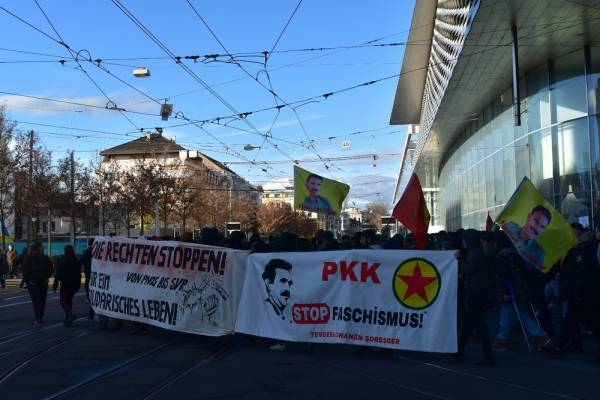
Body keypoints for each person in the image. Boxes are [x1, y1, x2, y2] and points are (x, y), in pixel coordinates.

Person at [493, 231, 551, 351]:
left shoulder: (502, 256)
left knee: (508, 315)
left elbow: (504, 276)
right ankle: (542, 337)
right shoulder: (517, 253)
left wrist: (505, 292)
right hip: (522, 289)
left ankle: (502, 339)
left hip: (511, 291)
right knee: (523, 315)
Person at [456, 229, 495, 365]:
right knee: (469, 324)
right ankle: (459, 351)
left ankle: (488, 357)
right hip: (478, 290)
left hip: (476, 292)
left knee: (479, 324)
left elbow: (467, 269)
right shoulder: (477, 252)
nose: (463, 241)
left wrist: (458, 259)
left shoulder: (474, 253)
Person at [502, 205, 552, 270]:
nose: (537, 228)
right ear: (529, 217)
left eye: (542, 227)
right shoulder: (511, 226)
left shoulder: (539, 253)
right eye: (536, 221)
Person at [22, 243, 53, 324]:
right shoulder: (45, 257)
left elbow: (25, 271)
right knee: (42, 299)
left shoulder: (28, 258)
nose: (43, 249)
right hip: (43, 281)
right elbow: (51, 269)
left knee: (35, 300)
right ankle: (40, 315)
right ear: (39, 249)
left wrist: (27, 281)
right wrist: (46, 276)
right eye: (42, 247)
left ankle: (38, 317)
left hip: (33, 282)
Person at [53, 245, 81, 326]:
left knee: (63, 301)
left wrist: (55, 285)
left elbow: (58, 274)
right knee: (69, 300)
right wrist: (78, 284)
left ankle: (69, 314)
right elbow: (79, 274)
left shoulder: (62, 260)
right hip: (74, 284)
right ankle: (68, 318)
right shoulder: (76, 260)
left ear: (65, 251)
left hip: (65, 283)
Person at [80, 238, 95, 319]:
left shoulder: (87, 251)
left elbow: (81, 260)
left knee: (89, 290)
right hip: (96, 274)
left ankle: (91, 310)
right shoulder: (98, 251)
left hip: (88, 273)